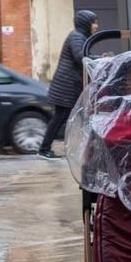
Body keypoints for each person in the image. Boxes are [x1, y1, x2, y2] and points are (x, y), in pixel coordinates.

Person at [40, 10, 99, 159]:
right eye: (94, 22)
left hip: (69, 84)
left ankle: (51, 148)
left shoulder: (80, 36)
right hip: (66, 85)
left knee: (66, 117)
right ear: (85, 23)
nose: (96, 26)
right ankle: (44, 149)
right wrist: (98, 59)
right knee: (62, 117)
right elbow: (80, 57)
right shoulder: (77, 37)